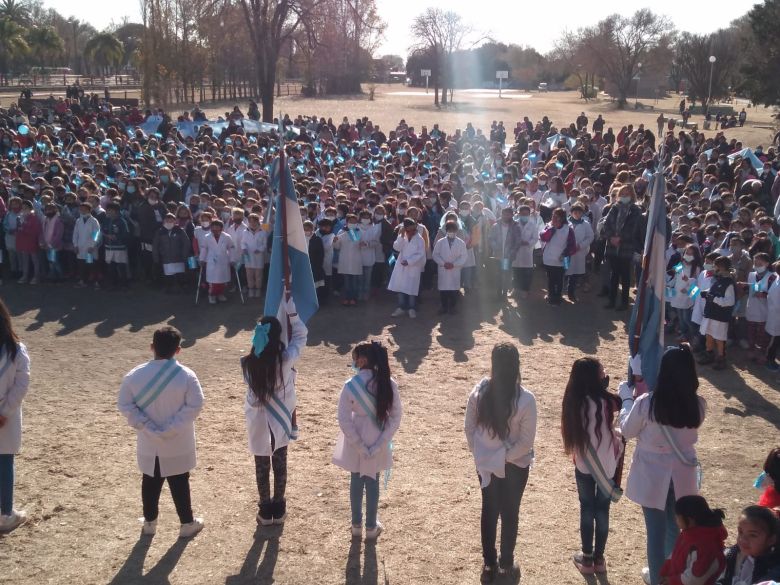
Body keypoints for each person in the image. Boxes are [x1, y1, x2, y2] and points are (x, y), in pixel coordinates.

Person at [619, 345, 706, 585]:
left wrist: (627, 399)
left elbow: (627, 430)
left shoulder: (648, 403)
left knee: (655, 534)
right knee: (675, 529)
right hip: (683, 475)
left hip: (652, 475)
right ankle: (673, 577)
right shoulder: (698, 405)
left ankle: (659, 580)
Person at [117, 326, 205, 538]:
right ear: (178, 350)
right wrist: (171, 428)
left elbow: (125, 405)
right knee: (180, 481)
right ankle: (186, 523)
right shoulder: (187, 375)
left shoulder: (134, 375)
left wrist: (147, 426)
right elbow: (196, 404)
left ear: (152, 347)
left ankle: (149, 523)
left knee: (150, 481)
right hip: (178, 441)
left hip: (149, 441)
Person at [465, 342, 537, 584]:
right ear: (517, 365)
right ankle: (506, 565)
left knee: (489, 510)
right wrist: (503, 458)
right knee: (510, 511)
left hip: (487, 464)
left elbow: (469, 428)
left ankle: (488, 565)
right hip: (515, 465)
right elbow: (526, 443)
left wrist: (484, 455)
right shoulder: (526, 399)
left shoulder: (479, 392)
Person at [243, 294, 306, 525]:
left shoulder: (246, 363)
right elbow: (301, 336)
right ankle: (279, 509)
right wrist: (293, 313)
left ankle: (264, 510)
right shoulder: (285, 358)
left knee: (261, 464)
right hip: (279, 417)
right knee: (280, 461)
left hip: (258, 418)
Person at [332, 341, 401, 541]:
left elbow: (343, 419)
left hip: (356, 436)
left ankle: (356, 524)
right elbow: (396, 416)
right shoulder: (389, 383)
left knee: (356, 479)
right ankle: (371, 526)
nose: (353, 362)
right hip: (379, 433)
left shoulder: (350, 385)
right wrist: (381, 442)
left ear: (362, 360)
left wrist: (358, 444)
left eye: (355, 359)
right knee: (373, 480)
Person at [561, 357, 623, 575]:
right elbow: (623, 401)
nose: (605, 374)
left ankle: (586, 559)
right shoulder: (607, 402)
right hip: (607, 465)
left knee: (586, 508)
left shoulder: (572, 402)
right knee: (602, 510)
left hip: (584, 464)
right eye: (601, 372)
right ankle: (599, 559)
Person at [0, 298, 30, 532]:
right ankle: (5, 514)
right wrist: (4, 412)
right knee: (5, 461)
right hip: (5, 418)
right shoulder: (16, 349)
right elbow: (21, 385)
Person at [659, 496, 727, 585]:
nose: (676, 520)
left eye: (677, 517)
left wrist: (671, 581)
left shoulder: (705, 545)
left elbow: (696, 578)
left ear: (690, 520)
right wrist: (666, 569)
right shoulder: (688, 533)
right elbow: (676, 552)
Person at [602, 185, 643, 311]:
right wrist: (611, 237)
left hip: (626, 247)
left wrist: (621, 238)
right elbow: (606, 224)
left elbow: (634, 228)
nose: (624, 196)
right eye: (622, 193)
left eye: (627, 194)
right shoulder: (614, 208)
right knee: (613, 274)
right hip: (612, 246)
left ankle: (624, 302)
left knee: (625, 275)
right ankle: (612, 300)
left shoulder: (636, 210)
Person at [717, 506, 780, 584]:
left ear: (771, 540)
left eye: (752, 535)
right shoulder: (731, 555)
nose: (743, 540)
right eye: (740, 532)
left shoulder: (773, 569)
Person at [698, 255, 736, 370]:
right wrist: (706, 292)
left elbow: (730, 302)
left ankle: (721, 358)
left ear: (721, 267)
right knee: (709, 335)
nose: (713, 268)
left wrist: (712, 298)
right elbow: (714, 291)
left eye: (715, 266)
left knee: (719, 339)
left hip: (720, 317)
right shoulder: (719, 280)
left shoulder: (729, 283)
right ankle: (709, 354)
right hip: (710, 313)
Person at [388, 218, 426, 319]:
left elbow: (421, 253)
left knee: (411, 289)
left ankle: (411, 308)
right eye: (408, 230)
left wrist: (409, 261)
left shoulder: (419, 239)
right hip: (401, 266)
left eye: (413, 230)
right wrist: (400, 236)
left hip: (413, 267)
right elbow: (396, 248)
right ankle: (401, 307)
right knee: (401, 287)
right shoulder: (402, 237)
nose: (412, 232)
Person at [539, 208, 576, 305]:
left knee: (560, 278)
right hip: (549, 258)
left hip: (564, 259)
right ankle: (551, 296)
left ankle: (558, 296)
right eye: (553, 216)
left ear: (562, 218)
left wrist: (565, 254)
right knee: (551, 278)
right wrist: (552, 228)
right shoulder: (549, 226)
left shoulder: (569, 229)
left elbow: (572, 245)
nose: (554, 218)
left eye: (556, 217)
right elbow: (543, 237)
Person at [432, 221, 468, 314]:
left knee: (454, 291)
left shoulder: (461, 243)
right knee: (443, 291)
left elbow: (464, 256)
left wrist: (454, 264)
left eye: (453, 230)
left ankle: (452, 307)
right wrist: (443, 263)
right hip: (443, 268)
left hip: (455, 269)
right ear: (446, 230)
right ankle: (443, 307)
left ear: (456, 231)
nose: (451, 232)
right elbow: (435, 255)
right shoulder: (440, 242)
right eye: (449, 230)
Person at [198, 219, 234, 304]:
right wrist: (202, 259)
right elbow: (204, 249)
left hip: (223, 261)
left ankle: (220, 294)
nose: (215, 229)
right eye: (213, 227)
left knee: (222, 281)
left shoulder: (227, 237)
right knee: (213, 282)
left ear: (221, 228)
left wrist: (232, 259)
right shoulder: (207, 237)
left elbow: (231, 248)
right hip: (211, 261)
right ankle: (212, 295)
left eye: (217, 227)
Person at [565, 203, 595, 302]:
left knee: (574, 274)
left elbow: (590, 236)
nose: (577, 214)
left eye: (579, 212)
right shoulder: (566, 223)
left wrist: (580, 245)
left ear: (582, 213)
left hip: (579, 252)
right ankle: (561, 292)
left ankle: (571, 293)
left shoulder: (585, 224)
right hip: (566, 252)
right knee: (565, 271)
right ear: (571, 213)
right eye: (575, 212)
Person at [241, 213, 267, 299]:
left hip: (259, 256)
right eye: (250, 221)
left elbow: (264, 244)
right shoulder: (245, 232)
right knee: (249, 274)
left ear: (257, 221)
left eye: (254, 221)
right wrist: (244, 248)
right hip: (248, 256)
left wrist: (259, 249)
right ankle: (251, 289)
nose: (252, 223)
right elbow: (243, 242)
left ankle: (258, 289)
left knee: (258, 274)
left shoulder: (263, 231)